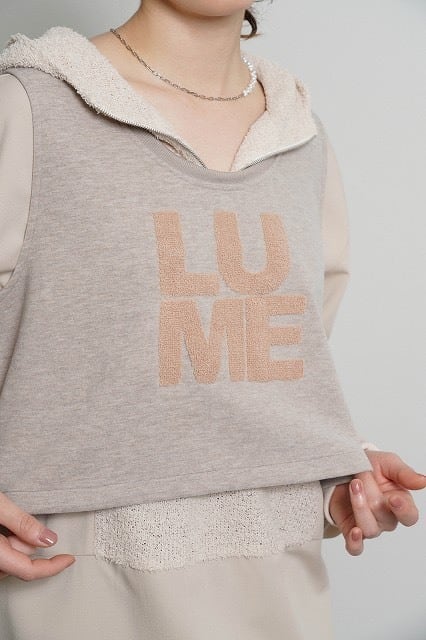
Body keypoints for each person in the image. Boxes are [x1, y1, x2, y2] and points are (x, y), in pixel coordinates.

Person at [0, 2, 424, 639]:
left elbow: (260, 380)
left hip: (281, 597)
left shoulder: (301, 136)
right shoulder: (29, 108)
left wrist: (337, 477)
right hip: (84, 590)